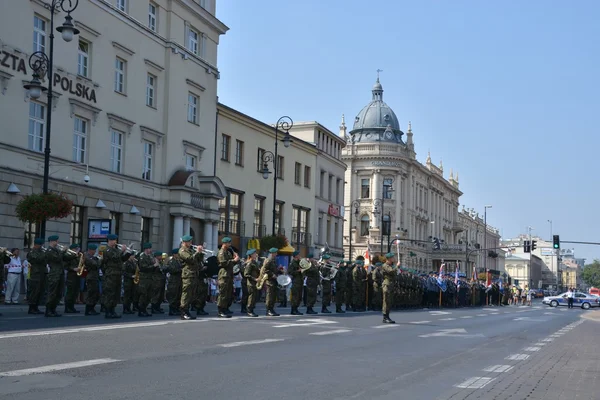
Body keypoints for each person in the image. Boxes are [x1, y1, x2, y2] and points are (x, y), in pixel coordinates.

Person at [260, 247, 280, 316]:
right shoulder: (268, 260)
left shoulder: (273, 260)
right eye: (275, 253)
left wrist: (280, 270)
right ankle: (268, 310)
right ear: (272, 253)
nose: (276, 254)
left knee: (273, 296)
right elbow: (265, 270)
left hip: (274, 280)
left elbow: (274, 270)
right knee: (270, 296)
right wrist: (272, 275)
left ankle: (271, 309)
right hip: (269, 280)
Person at [84, 244, 101, 316]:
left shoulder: (92, 257)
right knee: (91, 293)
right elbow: (95, 264)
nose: (95, 252)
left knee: (96, 294)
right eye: (94, 250)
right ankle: (88, 309)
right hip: (91, 277)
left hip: (95, 277)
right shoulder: (87, 256)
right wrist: (100, 259)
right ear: (90, 250)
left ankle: (92, 308)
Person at [243, 248, 260, 317]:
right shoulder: (249, 263)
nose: (256, 255)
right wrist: (255, 279)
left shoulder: (254, 262)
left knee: (254, 297)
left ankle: (252, 309)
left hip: (255, 282)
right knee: (251, 297)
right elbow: (246, 274)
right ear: (251, 255)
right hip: (251, 283)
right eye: (255, 254)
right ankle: (249, 310)